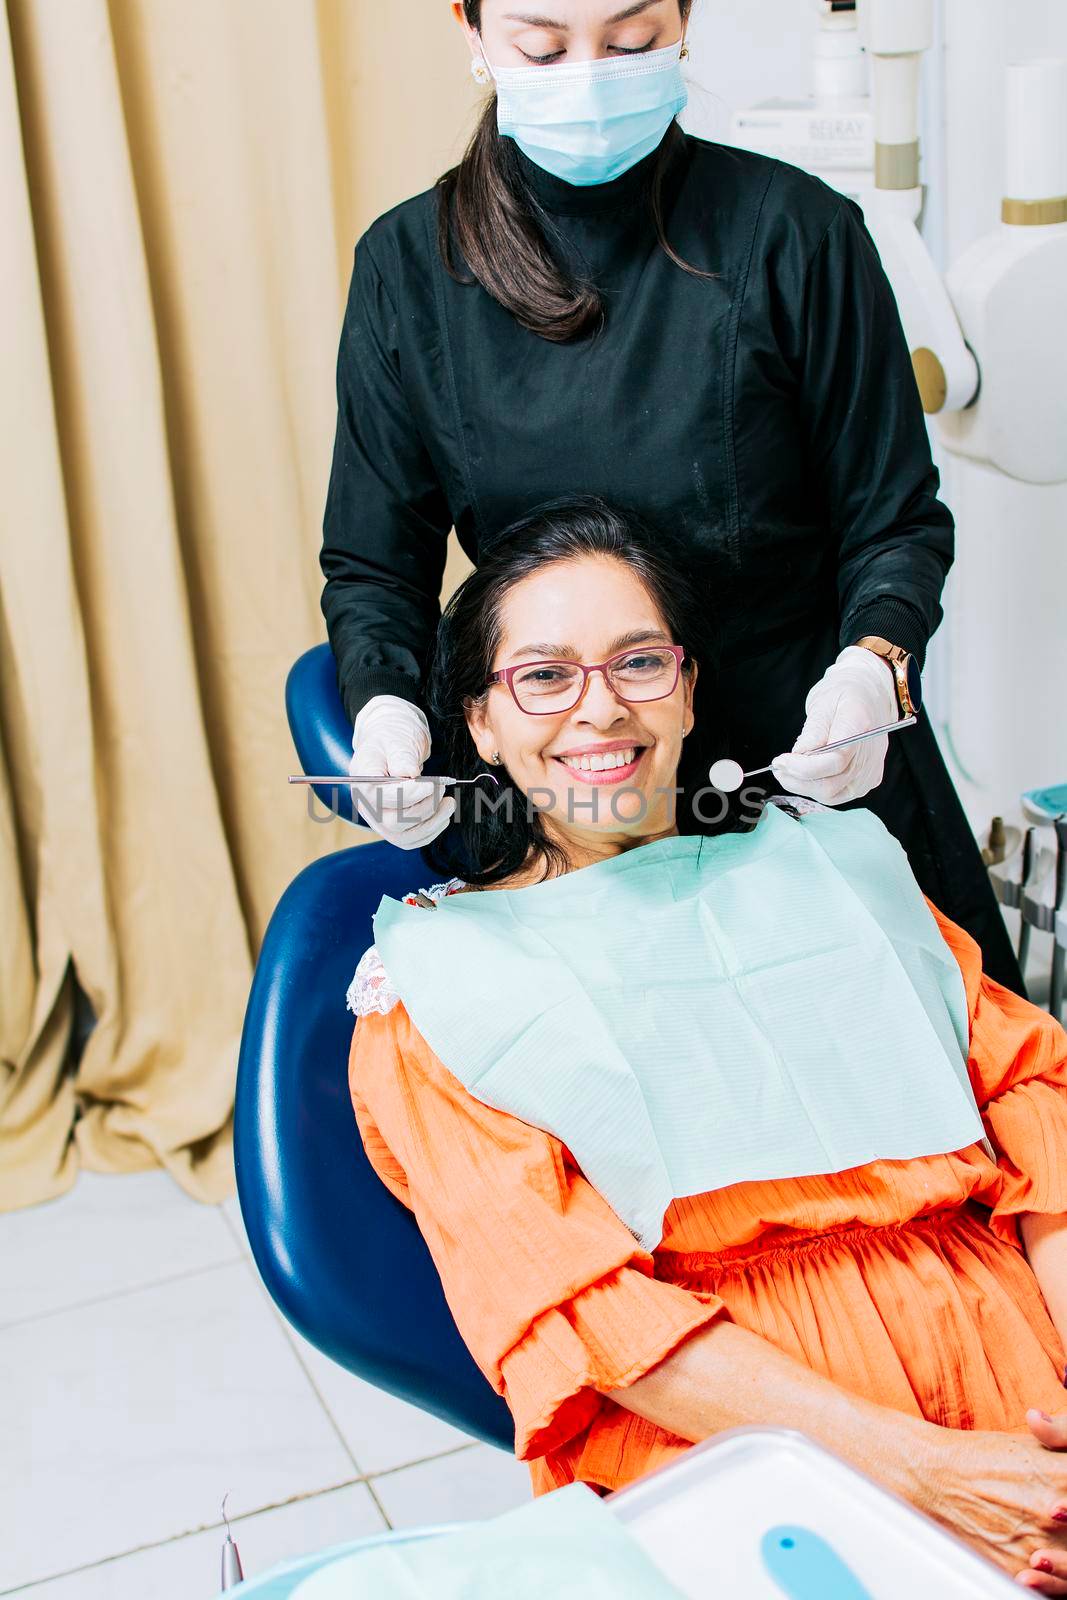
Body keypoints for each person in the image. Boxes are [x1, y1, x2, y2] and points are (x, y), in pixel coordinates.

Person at [346, 498, 1067, 1591]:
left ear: (686, 687)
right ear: (477, 722)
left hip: (1026, 1384)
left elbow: (1041, 1122)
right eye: (542, 676)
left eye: (637, 661)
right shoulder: (439, 990)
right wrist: (927, 1474)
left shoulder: (839, 869)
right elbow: (580, 1306)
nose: (598, 709)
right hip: (737, 1446)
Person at [318, 0, 1025, 996]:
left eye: (630, 39)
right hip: (569, 803)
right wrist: (388, 711)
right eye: (542, 44)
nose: (590, 74)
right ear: (471, 33)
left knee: (942, 1096)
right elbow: (373, 565)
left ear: (685, 22)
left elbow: (894, 521)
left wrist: (871, 674)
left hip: (802, 760)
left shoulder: (801, 237)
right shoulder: (408, 271)